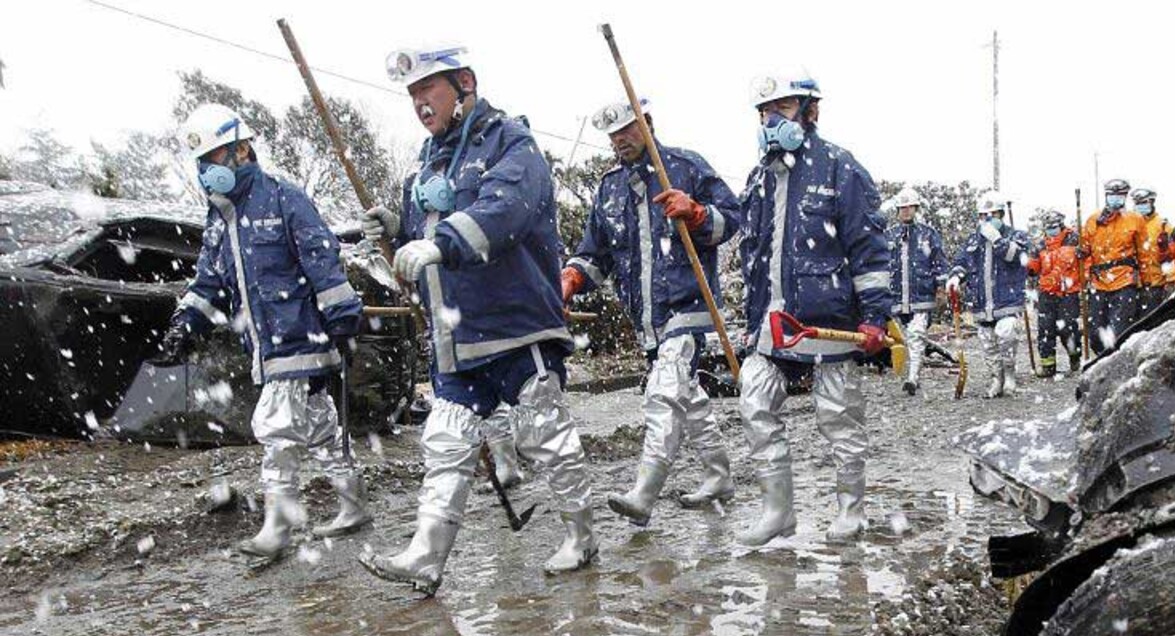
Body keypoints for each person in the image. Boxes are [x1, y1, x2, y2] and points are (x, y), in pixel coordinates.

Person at [358, 44, 595, 594]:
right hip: (456, 336)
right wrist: (395, 235)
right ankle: (426, 555)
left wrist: (436, 241)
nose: (420, 103)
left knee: (545, 435)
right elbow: (419, 258)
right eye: (413, 94)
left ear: (464, 81)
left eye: (428, 90)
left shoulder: (512, 141)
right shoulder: (424, 162)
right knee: (445, 440)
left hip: (518, 324)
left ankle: (581, 537)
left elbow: (505, 210)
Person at [156, 102, 368, 565]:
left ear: (242, 150)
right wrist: (184, 322)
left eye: (214, 159)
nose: (208, 171)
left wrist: (342, 314)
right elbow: (208, 280)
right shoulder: (220, 218)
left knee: (276, 430)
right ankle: (354, 504)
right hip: (265, 344)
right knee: (320, 428)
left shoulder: (282, 198)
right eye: (201, 164)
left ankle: (278, 525)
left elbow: (321, 257)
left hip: (299, 338)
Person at [561, 98, 742, 528]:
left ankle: (645, 492)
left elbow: (732, 219)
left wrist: (698, 214)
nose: (620, 141)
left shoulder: (685, 167)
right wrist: (571, 276)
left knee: (662, 393)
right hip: (646, 316)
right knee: (688, 397)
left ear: (647, 125)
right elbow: (596, 253)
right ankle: (719, 476)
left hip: (689, 306)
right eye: (613, 135)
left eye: (627, 130)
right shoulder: (608, 189)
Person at [736, 69, 893, 546]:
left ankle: (851, 511)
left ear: (810, 111)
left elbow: (869, 251)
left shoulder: (840, 168)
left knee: (838, 417)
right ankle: (777, 511)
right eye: (764, 113)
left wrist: (873, 317)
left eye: (780, 110)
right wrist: (751, 323)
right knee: (754, 400)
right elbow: (753, 258)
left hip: (829, 320)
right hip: (774, 320)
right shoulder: (759, 176)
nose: (769, 121)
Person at [948, 191, 1030, 398]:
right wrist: (956, 276)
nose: (986, 220)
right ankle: (996, 378)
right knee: (988, 344)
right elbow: (962, 262)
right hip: (981, 303)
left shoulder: (1016, 236)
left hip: (1007, 300)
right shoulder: (973, 241)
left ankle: (1010, 375)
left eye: (991, 215)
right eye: (983, 216)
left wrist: (997, 240)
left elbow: (1016, 257)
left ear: (1001, 214)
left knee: (1006, 334)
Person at [1077, 178, 1159, 351]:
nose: (1116, 198)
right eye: (1112, 194)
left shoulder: (1135, 220)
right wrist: (1082, 253)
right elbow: (1085, 249)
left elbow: (1144, 254)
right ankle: (1100, 356)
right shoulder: (1093, 220)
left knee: (1119, 329)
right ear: (1106, 196)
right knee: (1095, 331)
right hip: (1099, 282)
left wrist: (1147, 282)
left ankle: (1113, 364)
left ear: (1125, 196)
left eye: (1120, 195)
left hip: (1124, 281)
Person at [885, 187, 948, 396]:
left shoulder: (928, 235)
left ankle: (912, 377)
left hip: (921, 297)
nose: (905, 211)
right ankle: (909, 372)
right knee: (902, 339)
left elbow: (939, 263)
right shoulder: (888, 236)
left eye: (909, 207)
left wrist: (940, 288)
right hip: (895, 299)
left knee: (916, 334)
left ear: (916, 208)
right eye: (902, 208)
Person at [1028, 210, 1084, 377]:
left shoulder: (1074, 240)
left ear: (1061, 225)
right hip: (1046, 293)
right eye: (1048, 227)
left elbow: (1085, 261)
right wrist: (1028, 265)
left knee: (1068, 328)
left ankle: (1075, 357)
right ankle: (1048, 365)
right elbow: (1034, 268)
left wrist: (1084, 260)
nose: (1052, 230)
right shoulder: (1040, 245)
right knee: (1045, 330)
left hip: (1068, 292)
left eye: (1054, 226)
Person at [1131, 187, 1175, 316]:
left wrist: (1171, 280)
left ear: (1152, 203)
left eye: (1144, 202)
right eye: (1138, 203)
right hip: (1132, 285)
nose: (1141, 206)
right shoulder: (1130, 225)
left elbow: (1171, 255)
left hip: (1156, 284)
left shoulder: (1163, 226)